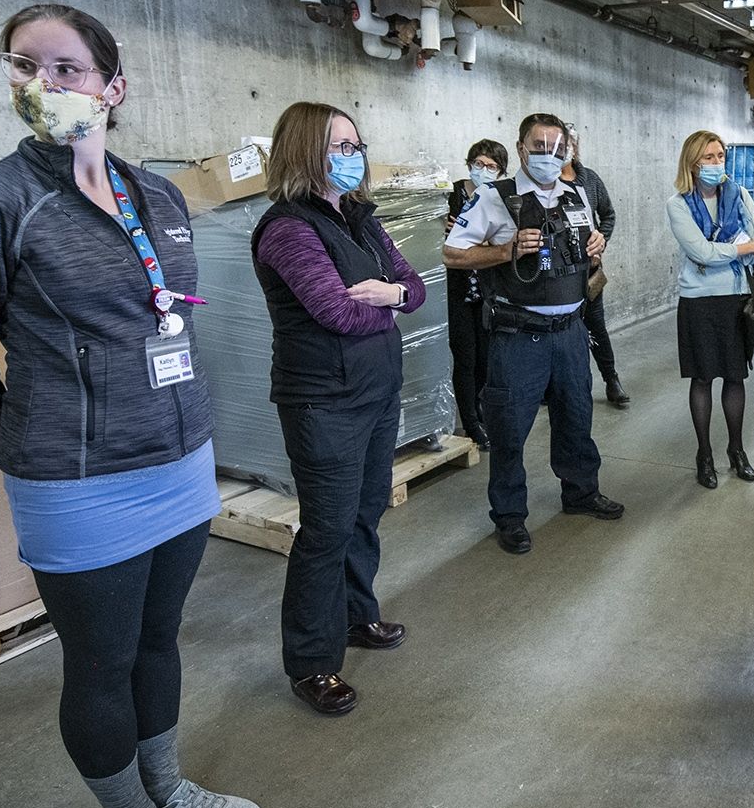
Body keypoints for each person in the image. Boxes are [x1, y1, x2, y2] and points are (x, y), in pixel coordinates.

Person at [0, 3, 261, 808]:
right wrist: (26, 441)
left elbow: (168, 318)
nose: (44, 85)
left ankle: (167, 787)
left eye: (65, 68)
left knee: (158, 640)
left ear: (114, 86)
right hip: (77, 483)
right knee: (100, 662)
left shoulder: (161, 194)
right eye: (24, 67)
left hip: (178, 459)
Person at [251, 102, 427, 716]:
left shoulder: (360, 217)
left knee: (365, 512)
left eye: (355, 145)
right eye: (337, 146)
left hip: (375, 392)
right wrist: (392, 298)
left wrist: (393, 291)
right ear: (304, 150)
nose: (351, 157)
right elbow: (337, 311)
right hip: (322, 402)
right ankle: (311, 662)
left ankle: (357, 617)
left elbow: (416, 285)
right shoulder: (288, 229)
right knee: (325, 530)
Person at [443, 112, 624, 555]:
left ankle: (580, 492)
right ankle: (510, 516)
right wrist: (506, 250)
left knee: (576, 419)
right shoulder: (494, 197)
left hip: (569, 332)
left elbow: (585, 250)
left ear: (567, 150)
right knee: (509, 432)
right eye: (537, 146)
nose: (547, 154)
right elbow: (452, 253)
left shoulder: (577, 194)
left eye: (555, 146)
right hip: (520, 337)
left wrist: (597, 246)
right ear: (521, 148)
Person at [665, 130, 754, 488]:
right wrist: (740, 249)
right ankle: (704, 454)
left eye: (720, 156)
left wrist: (740, 249)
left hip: (736, 296)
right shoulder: (678, 204)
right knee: (702, 377)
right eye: (708, 158)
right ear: (692, 163)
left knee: (735, 376)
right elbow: (700, 253)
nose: (716, 164)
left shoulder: (738, 194)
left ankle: (736, 450)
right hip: (698, 301)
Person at [560, 123, 632, 410]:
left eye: (569, 145)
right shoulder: (545, 183)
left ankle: (611, 379)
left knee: (596, 327)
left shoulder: (589, 179)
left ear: (576, 148)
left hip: (588, 271)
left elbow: (608, 214)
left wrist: (602, 241)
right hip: (557, 274)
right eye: (559, 146)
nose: (565, 151)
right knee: (562, 331)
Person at [446, 138, 509, 450]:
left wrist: (479, 244)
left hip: (485, 292)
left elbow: (494, 243)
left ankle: (480, 410)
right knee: (465, 359)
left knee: (485, 359)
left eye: (492, 166)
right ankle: (470, 422)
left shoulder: (497, 198)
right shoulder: (452, 194)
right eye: (480, 164)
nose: (484, 170)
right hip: (458, 292)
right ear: (470, 163)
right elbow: (451, 244)